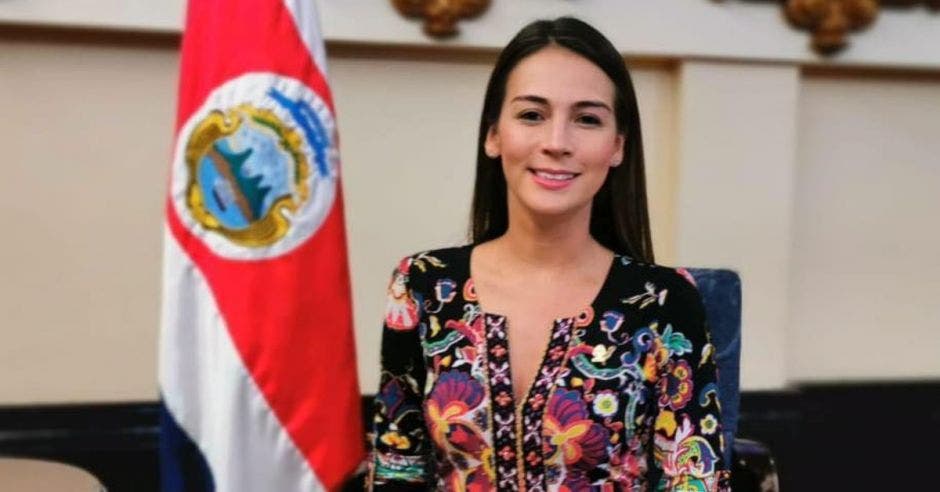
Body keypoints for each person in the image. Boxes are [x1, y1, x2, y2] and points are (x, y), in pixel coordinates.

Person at [367, 17, 730, 491]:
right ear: (494, 135)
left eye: (587, 119)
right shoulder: (422, 284)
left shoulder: (665, 302)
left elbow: (694, 481)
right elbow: (397, 468)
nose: (556, 142)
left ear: (616, 147)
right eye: (532, 115)